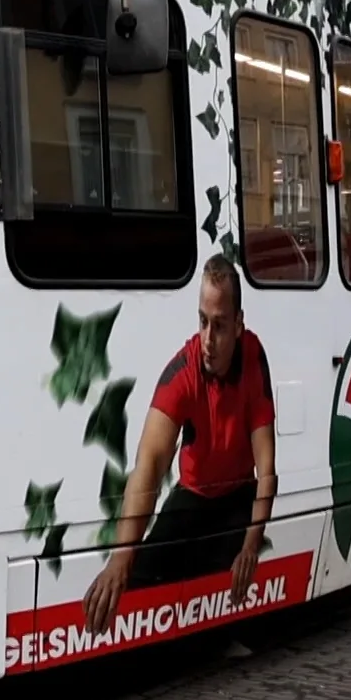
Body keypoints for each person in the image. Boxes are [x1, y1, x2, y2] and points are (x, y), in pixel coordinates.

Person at [83, 254, 279, 633]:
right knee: (138, 572)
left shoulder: (254, 357)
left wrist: (251, 546)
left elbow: (267, 470)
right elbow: (149, 466)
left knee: (226, 562)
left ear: (239, 324)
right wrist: (121, 559)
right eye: (203, 322)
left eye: (220, 326)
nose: (209, 339)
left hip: (238, 494)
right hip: (194, 495)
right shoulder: (182, 372)